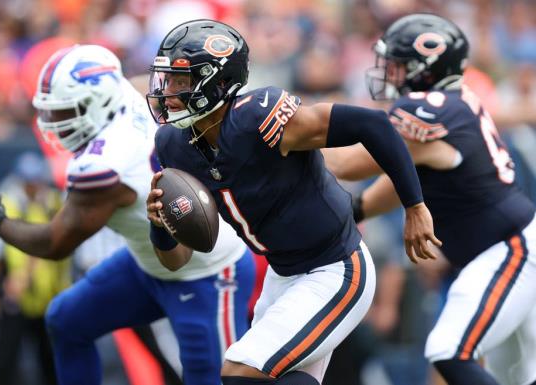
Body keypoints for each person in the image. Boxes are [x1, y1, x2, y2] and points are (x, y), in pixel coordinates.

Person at [144, 19, 440, 385]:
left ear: (218, 82)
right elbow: (176, 260)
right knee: (262, 376)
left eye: (181, 81)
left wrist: (415, 205)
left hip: (336, 267)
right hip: (282, 274)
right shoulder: (174, 146)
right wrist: (160, 226)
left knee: (241, 371)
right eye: (167, 80)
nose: (168, 93)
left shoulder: (259, 116)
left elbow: (374, 125)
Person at [0, 44, 256, 385]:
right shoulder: (122, 92)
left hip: (208, 273)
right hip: (147, 263)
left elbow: (54, 243)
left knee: (217, 380)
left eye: (65, 112)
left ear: (96, 105)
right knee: (66, 320)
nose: (53, 123)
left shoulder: (104, 167)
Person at [324, 13, 536, 385]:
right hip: (502, 247)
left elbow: (346, 164)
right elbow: (405, 177)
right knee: (506, 371)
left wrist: (280, 135)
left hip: (510, 248)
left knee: (449, 351)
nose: (389, 74)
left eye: (399, 66)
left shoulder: (429, 110)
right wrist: (357, 209)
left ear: (426, 68)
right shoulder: (453, 102)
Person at [0, 152, 69, 385]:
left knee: (53, 363)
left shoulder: (56, 201)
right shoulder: (5, 205)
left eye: (36, 181)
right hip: (14, 298)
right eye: (28, 182)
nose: (33, 187)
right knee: (3, 361)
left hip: (51, 298)